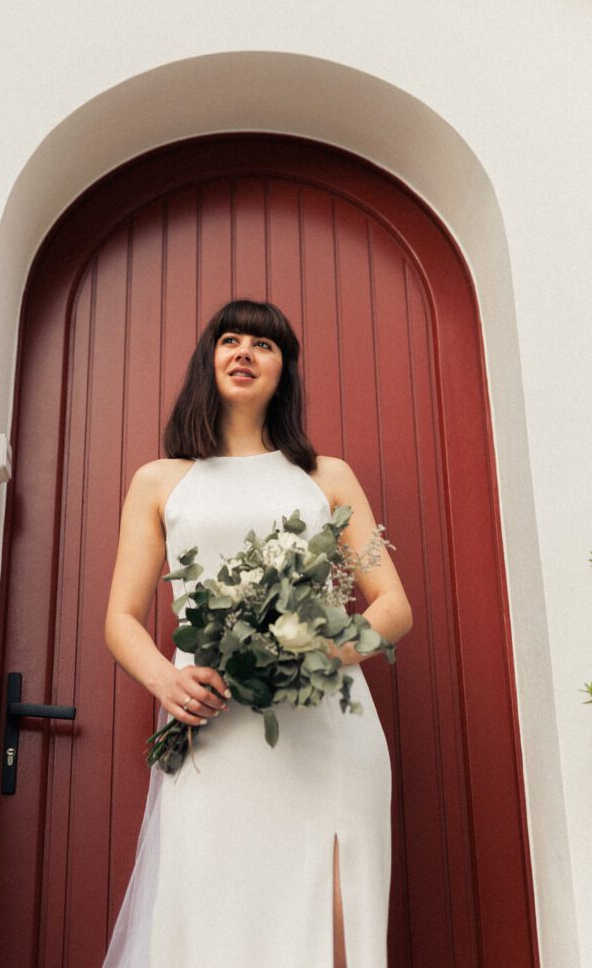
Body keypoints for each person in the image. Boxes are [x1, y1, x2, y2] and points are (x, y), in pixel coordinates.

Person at [103, 298, 413, 968]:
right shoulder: (160, 481)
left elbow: (392, 606)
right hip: (218, 728)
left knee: (332, 921)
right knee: (212, 916)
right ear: (208, 360)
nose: (245, 351)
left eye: (264, 344)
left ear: (285, 371)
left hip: (327, 731)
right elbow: (120, 618)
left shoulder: (325, 477)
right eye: (231, 339)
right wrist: (169, 679)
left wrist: (309, 645)